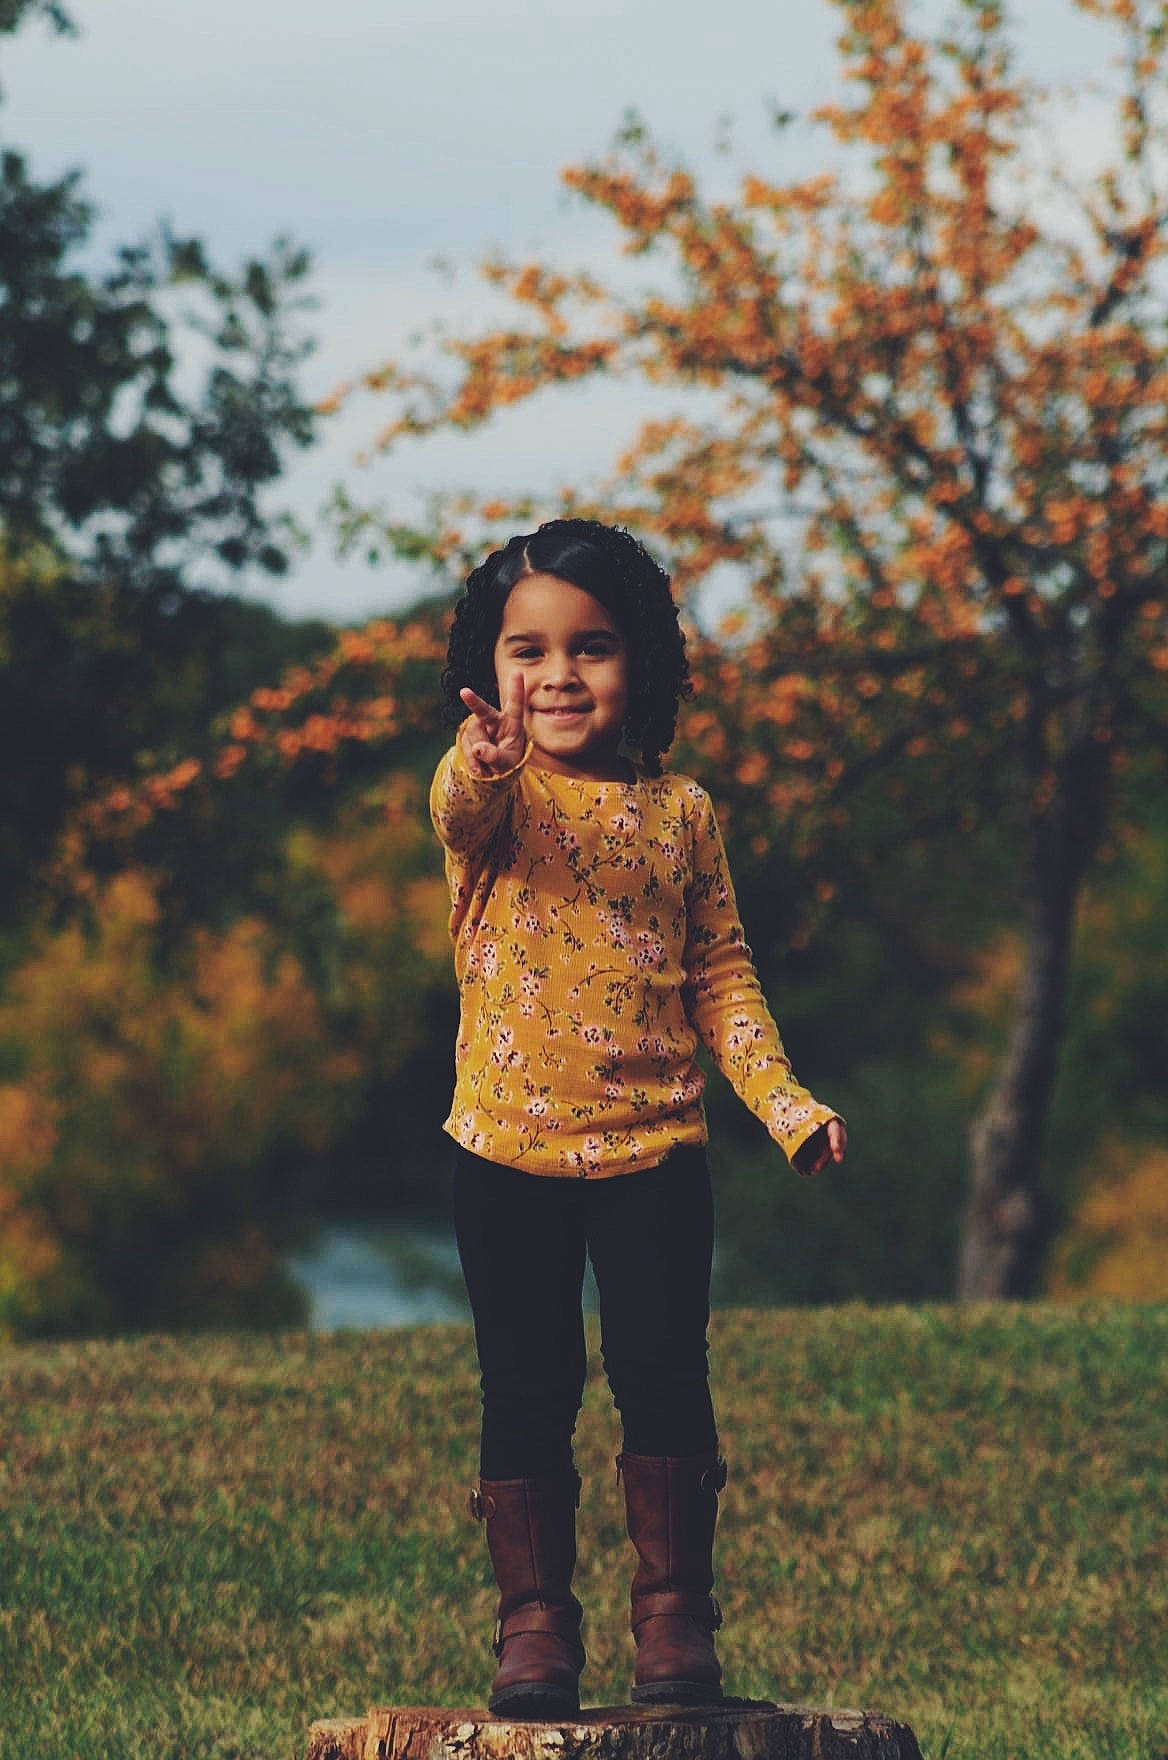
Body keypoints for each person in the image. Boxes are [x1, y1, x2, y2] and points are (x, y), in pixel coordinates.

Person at [430, 518, 846, 1718]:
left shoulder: (682, 815)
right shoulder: (494, 801)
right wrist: (485, 759)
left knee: (664, 1378)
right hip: (506, 1152)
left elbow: (720, 972)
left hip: (655, 1155)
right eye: (528, 650)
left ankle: (673, 1620)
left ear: (643, 665)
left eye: (591, 647)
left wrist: (784, 1105)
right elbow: (457, 808)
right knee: (526, 1383)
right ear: (487, 669)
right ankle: (533, 1626)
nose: (558, 674)